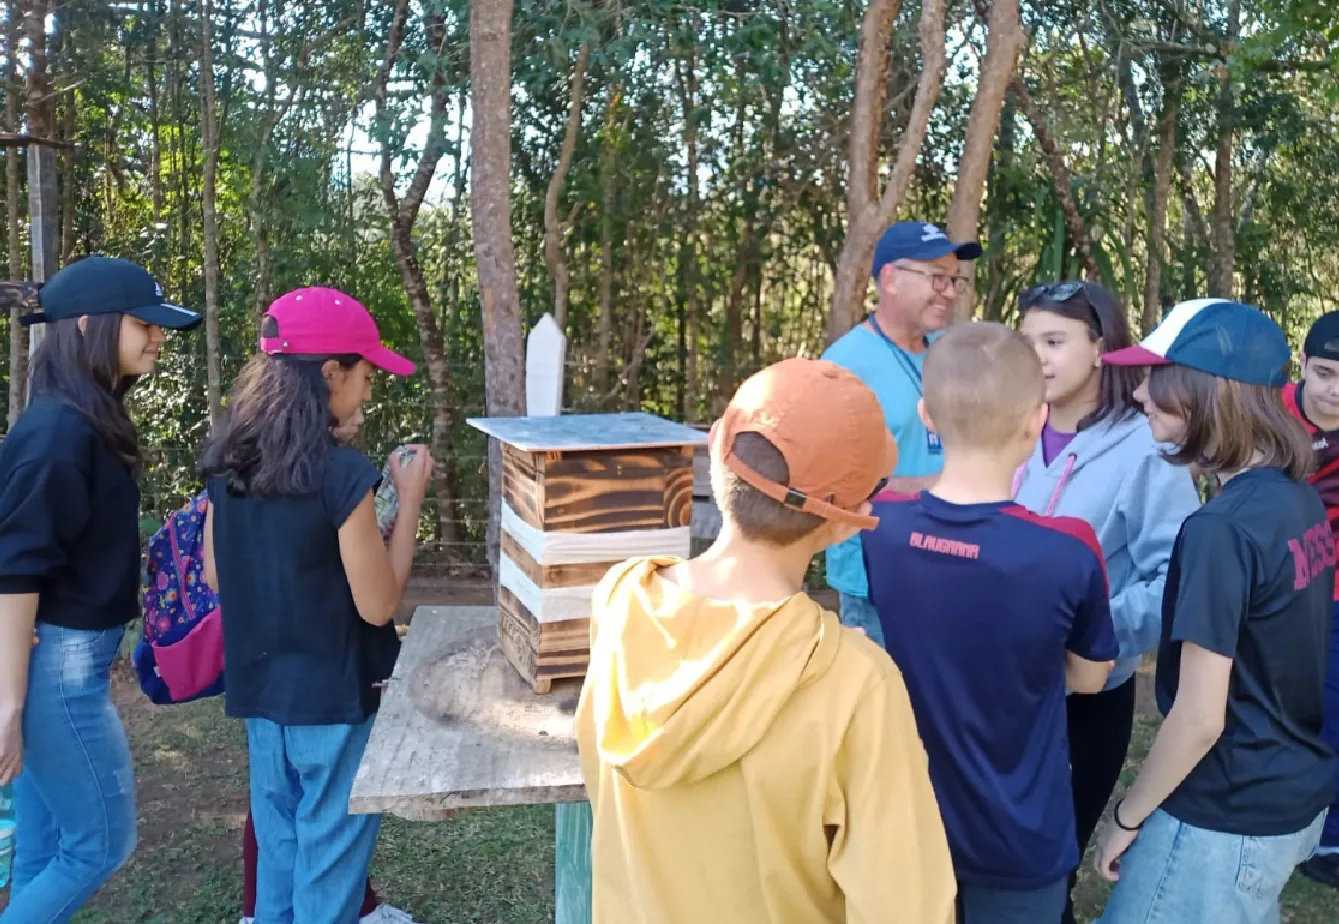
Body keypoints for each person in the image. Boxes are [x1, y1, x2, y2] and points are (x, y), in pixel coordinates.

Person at [575, 358, 957, 924]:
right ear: (851, 521)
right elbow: (907, 909)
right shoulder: (858, 686)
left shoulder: (621, 599)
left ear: (712, 450)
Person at [863, 321, 1119, 923]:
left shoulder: (882, 528)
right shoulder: (1067, 550)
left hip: (909, 824)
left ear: (928, 415)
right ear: (1035, 421)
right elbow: (1089, 677)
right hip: (1020, 835)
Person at [1094, 298, 1337, 924]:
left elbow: (1200, 717)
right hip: (1288, 793)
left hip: (1222, 815)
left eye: (1156, 377)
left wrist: (1128, 814)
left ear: (1205, 392)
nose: (1141, 393)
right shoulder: (1296, 498)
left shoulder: (1219, 530)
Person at [201, 287, 432, 924]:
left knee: (278, 851)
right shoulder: (340, 474)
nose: (369, 389)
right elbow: (379, 604)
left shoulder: (229, 463)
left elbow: (219, 576)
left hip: (261, 698)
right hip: (333, 701)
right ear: (330, 373)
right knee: (328, 862)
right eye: (365, 374)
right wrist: (407, 498)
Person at [0, 256, 202, 922]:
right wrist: (8, 702)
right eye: (143, 323)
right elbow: (14, 570)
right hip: (56, 671)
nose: (157, 337)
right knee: (100, 846)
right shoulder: (57, 432)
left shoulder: (81, 422)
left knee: (44, 848)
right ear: (88, 323)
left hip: (52, 662)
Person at [1014, 281, 1200, 923]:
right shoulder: (1008, 430)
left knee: (1047, 879)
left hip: (1086, 701)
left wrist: (1088, 632)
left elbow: (1174, 576)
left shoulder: (1147, 447)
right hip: (1004, 693)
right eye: (1027, 340)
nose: (1035, 356)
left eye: (1054, 341)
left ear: (1101, 347)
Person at [821, 220, 982, 645]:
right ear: (890, 278)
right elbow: (830, 484)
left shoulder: (950, 352)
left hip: (952, 570)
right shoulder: (845, 364)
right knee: (884, 709)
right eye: (937, 278)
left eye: (954, 280)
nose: (949, 291)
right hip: (876, 583)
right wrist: (934, 487)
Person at [1284, 310, 1339, 890]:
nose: (1335, 390)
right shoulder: (1269, 409)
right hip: (1279, 587)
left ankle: (1328, 833)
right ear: (1302, 365)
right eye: (1324, 372)